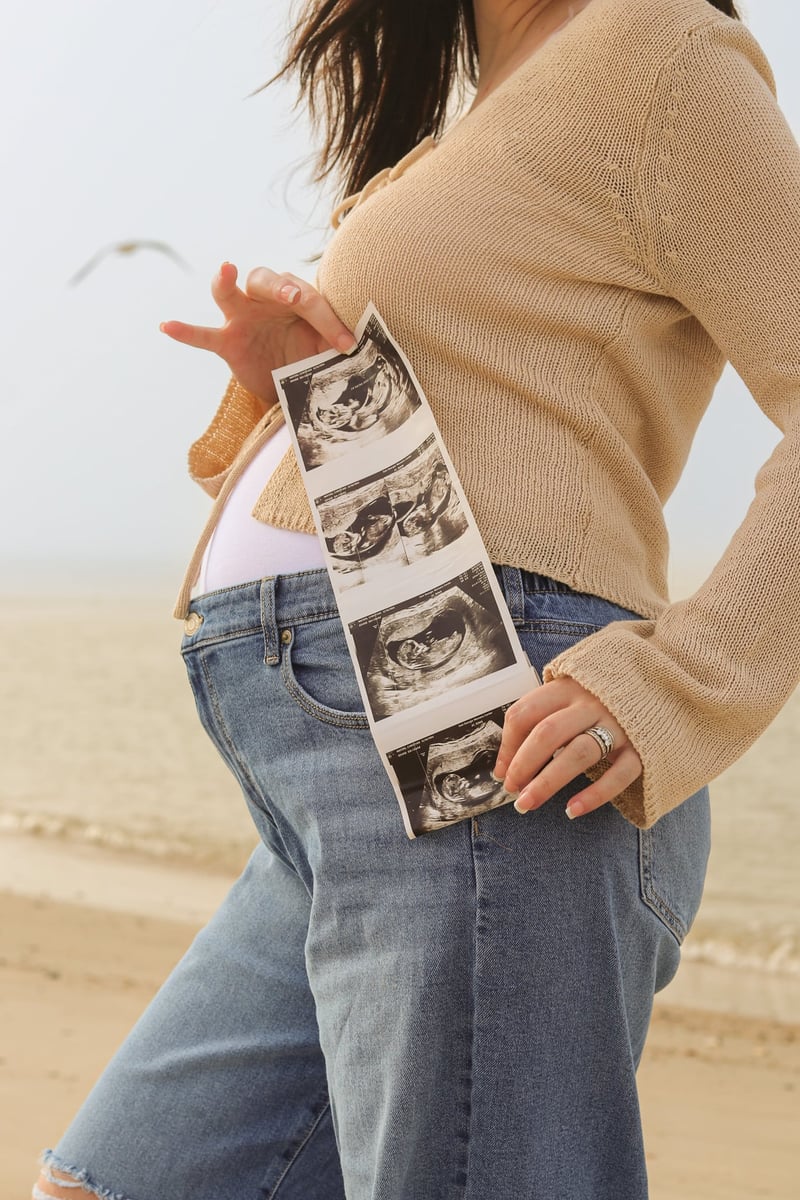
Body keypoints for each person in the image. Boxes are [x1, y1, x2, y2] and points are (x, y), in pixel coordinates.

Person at [34, 0, 800, 1197]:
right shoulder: (474, 115)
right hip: (340, 781)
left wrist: (675, 682)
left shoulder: (656, 50)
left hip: (486, 736)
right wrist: (304, 396)